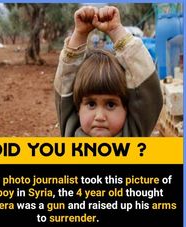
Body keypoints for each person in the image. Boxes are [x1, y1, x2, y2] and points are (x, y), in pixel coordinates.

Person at [54, 6, 163, 137]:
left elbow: (147, 89)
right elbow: (65, 84)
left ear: (126, 109)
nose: (100, 117)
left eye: (111, 104)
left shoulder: (133, 134)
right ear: (78, 109)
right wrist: (79, 34)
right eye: (91, 104)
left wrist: (116, 30)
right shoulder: (70, 133)